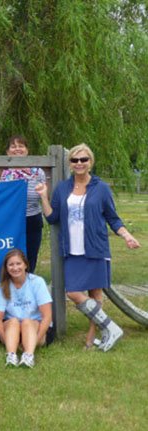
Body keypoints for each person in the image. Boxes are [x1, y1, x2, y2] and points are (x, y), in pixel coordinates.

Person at [36, 143, 140, 351]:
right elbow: (53, 217)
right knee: (74, 292)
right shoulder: (63, 188)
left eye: (84, 159)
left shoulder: (101, 188)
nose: (79, 163)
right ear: (70, 163)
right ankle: (111, 327)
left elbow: (112, 217)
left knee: (96, 296)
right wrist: (43, 197)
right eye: (75, 160)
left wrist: (126, 235)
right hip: (71, 251)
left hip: (95, 248)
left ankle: (90, 341)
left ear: (90, 162)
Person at [0, 135, 46, 273]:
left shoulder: (38, 172)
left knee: (29, 260)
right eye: (13, 146)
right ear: (7, 152)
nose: (17, 149)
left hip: (31, 220)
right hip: (6, 221)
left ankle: (27, 291)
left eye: (21, 146)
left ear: (27, 150)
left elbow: (44, 195)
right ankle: (6, 292)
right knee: (7, 260)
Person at [0, 249, 52, 368]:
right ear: (6, 268)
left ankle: (28, 355)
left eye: (18, 263)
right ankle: (11, 355)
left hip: (35, 327)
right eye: (11, 265)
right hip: (11, 329)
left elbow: (47, 315)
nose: (15, 268)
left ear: (25, 265)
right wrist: (5, 338)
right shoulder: (3, 286)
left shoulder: (37, 282)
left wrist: (36, 340)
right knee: (13, 321)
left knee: (27, 322)